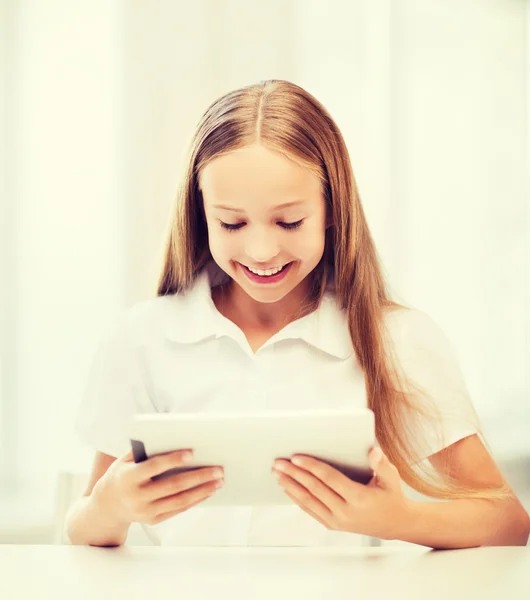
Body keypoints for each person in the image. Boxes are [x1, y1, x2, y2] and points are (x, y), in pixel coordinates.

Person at [66, 79, 530, 549]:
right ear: (200, 213)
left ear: (332, 209)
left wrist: (398, 518)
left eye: (289, 222)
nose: (262, 250)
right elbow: (83, 529)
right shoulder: (142, 339)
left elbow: (507, 521)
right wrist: (111, 508)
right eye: (232, 223)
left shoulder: (397, 341)